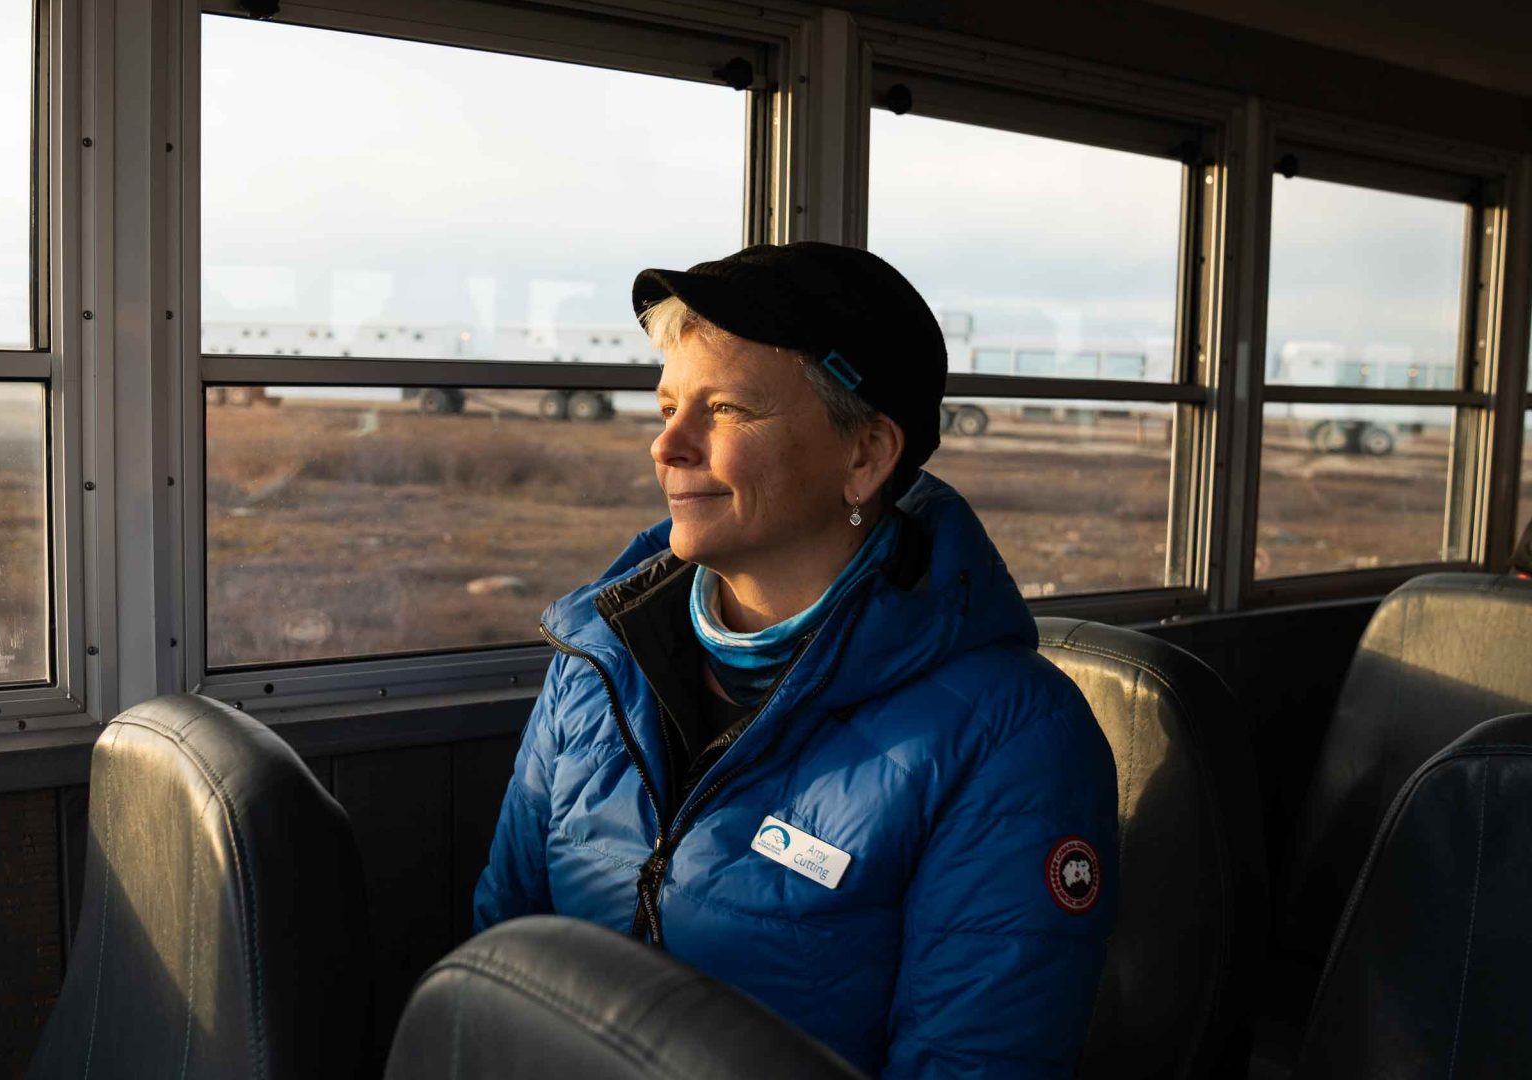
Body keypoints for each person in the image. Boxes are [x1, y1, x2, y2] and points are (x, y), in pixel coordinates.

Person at [472, 241, 1118, 1077]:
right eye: (667, 406)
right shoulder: (597, 662)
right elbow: (504, 953)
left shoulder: (1013, 740)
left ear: (864, 456)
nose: (668, 446)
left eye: (728, 410)